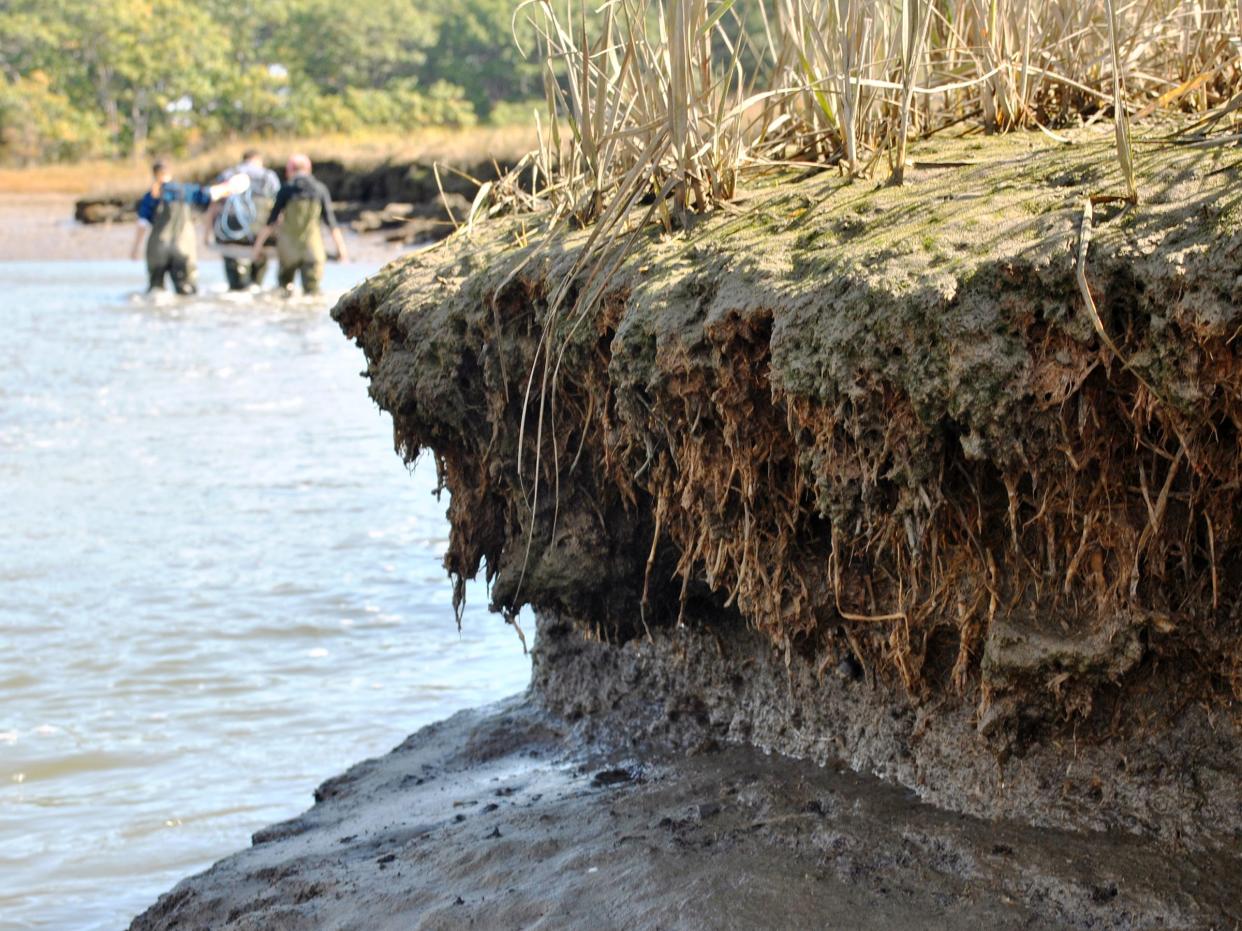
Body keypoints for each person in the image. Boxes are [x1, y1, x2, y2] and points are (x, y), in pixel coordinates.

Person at [130, 160, 248, 294]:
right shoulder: (184, 190)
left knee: (156, 292)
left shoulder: (150, 196)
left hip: (158, 248)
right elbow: (211, 193)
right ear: (170, 172)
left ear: (154, 174)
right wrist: (229, 187)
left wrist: (135, 249)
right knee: (186, 291)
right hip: (183, 246)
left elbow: (142, 224)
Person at [251, 154, 349, 296]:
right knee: (312, 294)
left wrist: (257, 247)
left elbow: (271, 222)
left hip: (288, 251)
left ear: (289, 170)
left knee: (284, 291)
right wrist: (342, 250)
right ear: (308, 169)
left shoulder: (286, 190)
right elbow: (331, 223)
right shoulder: (320, 189)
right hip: (312, 250)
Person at [204, 149, 281, 291]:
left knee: (236, 288)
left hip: (228, 234)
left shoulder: (228, 174)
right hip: (261, 235)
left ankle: (237, 287)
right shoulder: (268, 176)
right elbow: (279, 208)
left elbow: (213, 205)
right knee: (256, 287)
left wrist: (207, 235)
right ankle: (255, 286)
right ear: (259, 160)